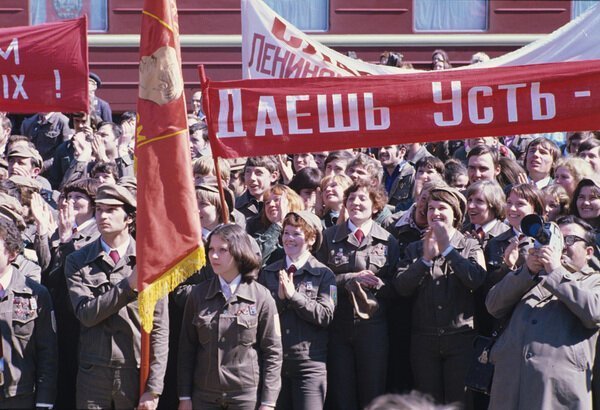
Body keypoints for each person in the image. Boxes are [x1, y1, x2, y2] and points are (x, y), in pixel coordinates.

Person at [65, 183, 168, 409]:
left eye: (111, 210)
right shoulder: (77, 260)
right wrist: (128, 286)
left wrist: (154, 388)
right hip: (94, 372)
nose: (103, 215)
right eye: (99, 209)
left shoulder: (149, 260)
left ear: (129, 218)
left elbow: (160, 328)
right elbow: (86, 314)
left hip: (134, 371)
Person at [486, 215, 600, 410]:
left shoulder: (593, 281)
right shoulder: (530, 275)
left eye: (570, 240)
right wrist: (527, 270)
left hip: (558, 393)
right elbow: (493, 305)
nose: (561, 246)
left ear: (588, 252)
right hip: (510, 387)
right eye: (556, 238)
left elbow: (594, 312)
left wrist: (555, 270)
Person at [394, 186, 486, 405]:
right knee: (428, 403)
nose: (435, 213)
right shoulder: (414, 248)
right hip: (424, 340)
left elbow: (476, 279)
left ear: (455, 214)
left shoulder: (470, 245)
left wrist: (448, 251)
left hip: (460, 338)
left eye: (442, 207)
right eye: (430, 208)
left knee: (459, 402)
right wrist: (424, 260)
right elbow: (401, 287)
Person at [177, 224, 282, 410]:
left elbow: (273, 352)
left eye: (222, 250)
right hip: (205, 396)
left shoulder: (261, 296)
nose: (214, 256)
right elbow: (187, 349)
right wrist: (184, 396)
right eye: (211, 250)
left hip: (245, 396)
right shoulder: (198, 295)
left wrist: (268, 402)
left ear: (239, 252)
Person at [316, 181, 400, 410]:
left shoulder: (388, 241)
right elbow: (319, 282)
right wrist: (349, 279)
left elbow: (397, 288)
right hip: (338, 326)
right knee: (342, 395)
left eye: (362, 198)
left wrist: (379, 284)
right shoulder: (328, 237)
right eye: (351, 198)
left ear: (375, 206)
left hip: (373, 327)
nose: (356, 203)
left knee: (373, 394)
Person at [259, 211, 336, 409]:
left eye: (296, 234)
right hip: (275, 363)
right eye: (286, 233)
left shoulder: (325, 275)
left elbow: (326, 315)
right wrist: (281, 300)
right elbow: (260, 317)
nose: (289, 239)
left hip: (309, 364)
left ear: (311, 239)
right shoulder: (268, 272)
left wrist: (294, 296)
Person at [0, 217, 57, 409]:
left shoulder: (35, 293)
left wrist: (45, 400)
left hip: (18, 394)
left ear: (13, 253)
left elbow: (47, 353)